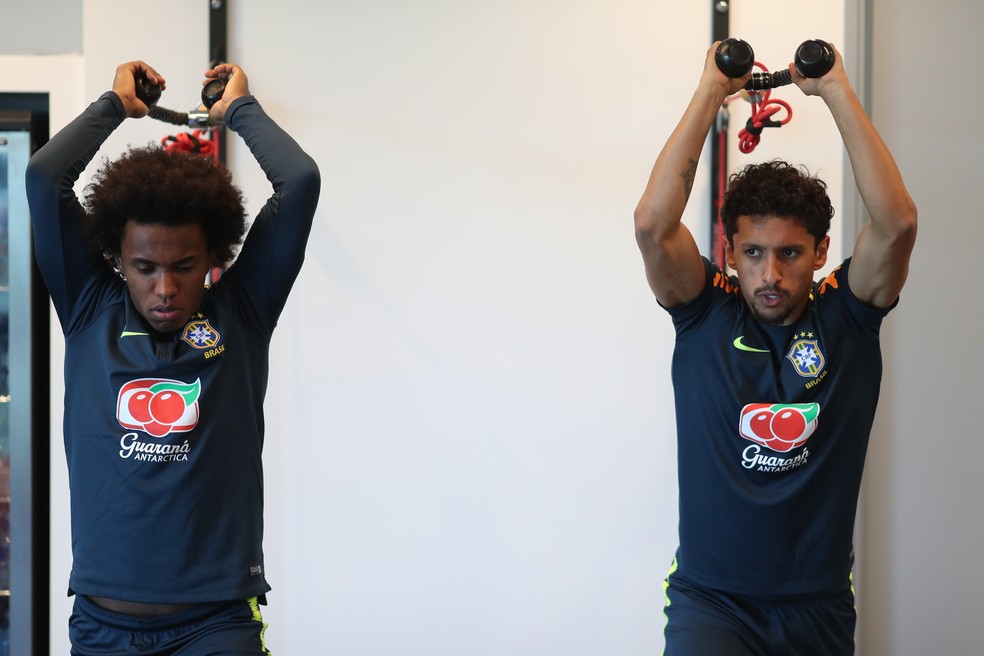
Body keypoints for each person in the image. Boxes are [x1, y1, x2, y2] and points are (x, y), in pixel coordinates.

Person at [26, 60, 320, 654]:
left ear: (212, 254)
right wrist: (114, 105)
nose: (165, 288)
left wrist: (237, 110)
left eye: (184, 267)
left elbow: (300, 181)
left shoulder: (244, 310)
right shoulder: (88, 308)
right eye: (145, 268)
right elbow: (44, 176)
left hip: (216, 625)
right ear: (117, 260)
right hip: (102, 626)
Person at [633, 42, 916, 655]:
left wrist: (836, 89)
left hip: (815, 609)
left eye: (789, 254)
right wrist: (712, 91)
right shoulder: (704, 312)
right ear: (729, 253)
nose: (770, 275)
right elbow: (653, 225)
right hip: (712, 604)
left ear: (819, 253)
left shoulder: (849, 315)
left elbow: (896, 226)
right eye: (753, 254)